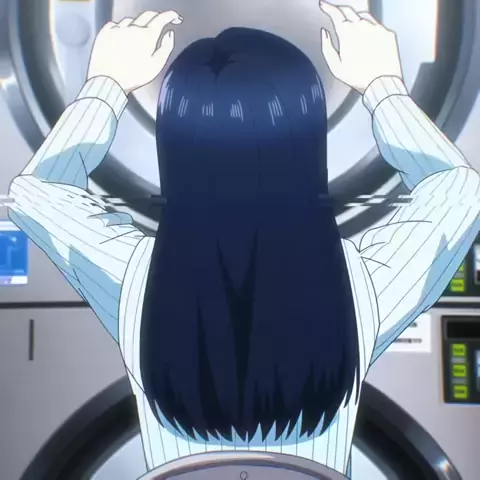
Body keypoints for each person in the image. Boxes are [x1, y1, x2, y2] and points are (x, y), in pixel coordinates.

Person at [7, 2, 480, 478]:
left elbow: (36, 193)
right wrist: (382, 86)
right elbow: (461, 189)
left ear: (172, 149)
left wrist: (107, 84)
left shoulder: (136, 281)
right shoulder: (361, 290)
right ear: (310, 145)